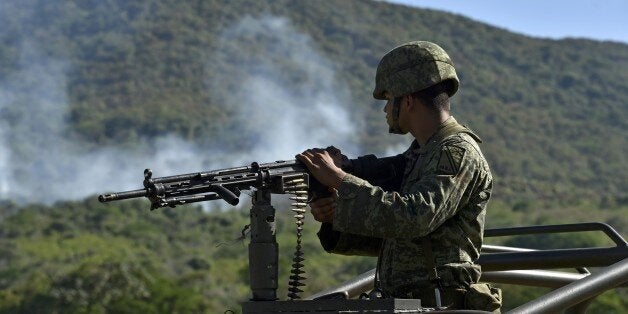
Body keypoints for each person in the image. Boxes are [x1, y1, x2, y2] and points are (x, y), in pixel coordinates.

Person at [296, 41, 501, 311]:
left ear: (408, 100)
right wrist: (337, 212)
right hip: (413, 303)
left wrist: (340, 181)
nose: (385, 109)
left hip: (442, 305)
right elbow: (399, 240)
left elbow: (413, 218)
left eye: (389, 99)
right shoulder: (421, 155)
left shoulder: (457, 153)